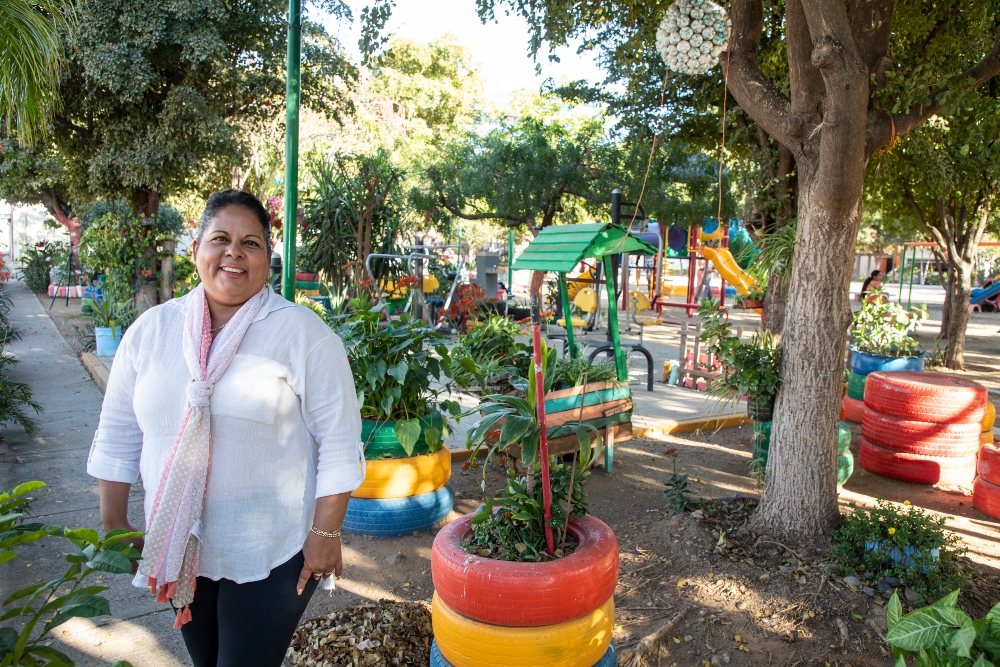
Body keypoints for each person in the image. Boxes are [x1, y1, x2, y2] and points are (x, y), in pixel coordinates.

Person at [87, 190, 364, 667]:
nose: (234, 252)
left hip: (272, 552)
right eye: (220, 238)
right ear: (197, 250)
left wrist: (326, 533)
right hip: (178, 542)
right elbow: (118, 434)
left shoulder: (302, 334)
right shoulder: (152, 330)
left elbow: (339, 440)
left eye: (250, 243)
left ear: (267, 260)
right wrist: (115, 524)